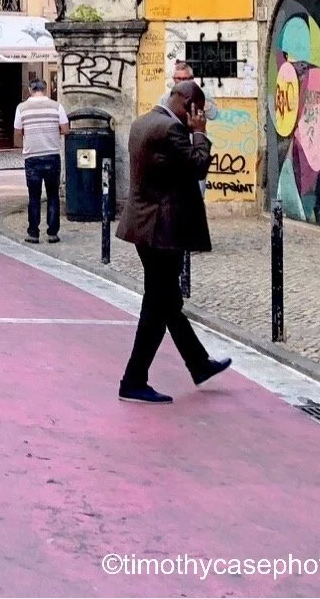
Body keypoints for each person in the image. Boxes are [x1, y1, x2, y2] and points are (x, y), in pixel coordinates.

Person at [115, 79, 231, 403]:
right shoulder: (170, 129)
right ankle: (133, 380)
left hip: (146, 227)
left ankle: (198, 363)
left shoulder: (143, 121)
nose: (198, 115)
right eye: (197, 110)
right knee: (157, 305)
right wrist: (200, 132)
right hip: (160, 230)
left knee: (168, 302)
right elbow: (198, 166)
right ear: (186, 104)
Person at [14, 75, 68, 244]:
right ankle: (52, 233)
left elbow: (17, 131)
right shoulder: (56, 106)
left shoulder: (21, 108)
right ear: (46, 90)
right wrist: (52, 132)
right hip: (52, 155)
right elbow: (65, 129)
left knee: (34, 196)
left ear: (30, 90)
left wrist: (28, 134)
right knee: (53, 195)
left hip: (32, 157)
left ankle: (33, 233)